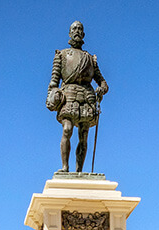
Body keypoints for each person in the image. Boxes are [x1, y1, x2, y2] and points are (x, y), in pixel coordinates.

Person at [46, 21, 109, 173]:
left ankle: (79, 170)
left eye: (80, 29)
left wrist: (101, 89)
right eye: (74, 28)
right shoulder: (61, 55)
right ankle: (65, 167)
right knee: (67, 129)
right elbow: (54, 81)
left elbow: (102, 82)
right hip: (68, 95)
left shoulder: (89, 58)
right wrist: (52, 95)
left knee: (83, 135)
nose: (77, 31)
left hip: (87, 97)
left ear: (84, 34)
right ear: (69, 33)